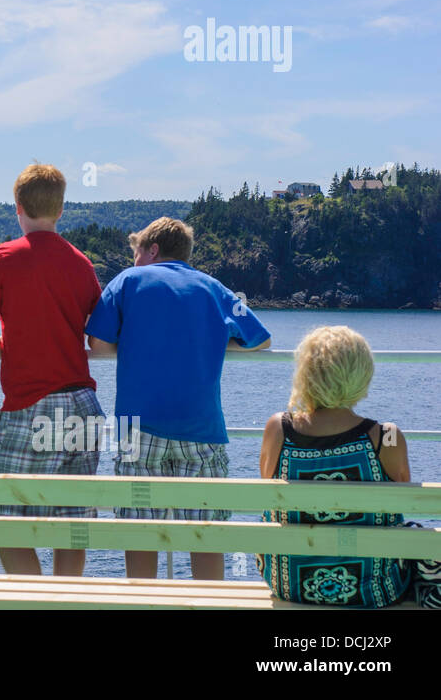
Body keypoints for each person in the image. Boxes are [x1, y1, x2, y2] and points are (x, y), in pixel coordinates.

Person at [85, 216, 271, 580]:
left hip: (137, 432)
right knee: (206, 538)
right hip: (201, 431)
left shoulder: (127, 281)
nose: (134, 260)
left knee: (140, 535)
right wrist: (215, 342)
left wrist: (134, 343)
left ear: (151, 249)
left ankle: (144, 604)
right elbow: (260, 340)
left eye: (137, 252)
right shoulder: (213, 288)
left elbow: (98, 344)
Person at [0, 164, 102, 576]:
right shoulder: (82, 264)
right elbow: (96, 341)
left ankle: (35, 599)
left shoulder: (1, 259)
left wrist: (8, 352)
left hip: (32, 405)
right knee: (73, 522)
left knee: (4, 517)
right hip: (82, 403)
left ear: (18, 207)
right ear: (60, 210)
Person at [257, 325, 413, 607]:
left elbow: (269, 490)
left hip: (291, 586)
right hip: (373, 589)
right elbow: (400, 501)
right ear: (362, 374)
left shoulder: (277, 428)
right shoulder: (387, 435)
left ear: (306, 375)